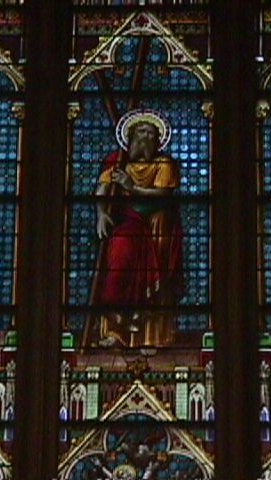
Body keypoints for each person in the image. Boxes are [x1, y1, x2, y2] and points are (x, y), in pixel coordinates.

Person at [86, 109, 184, 348]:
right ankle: (116, 326)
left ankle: (150, 332)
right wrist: (101, 214)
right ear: (130, 137)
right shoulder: (117, 160)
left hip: (156, 223)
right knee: (120, 251)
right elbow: (102, 188)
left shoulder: (164, 164)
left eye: (151, 134)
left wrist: (131, 187)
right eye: (141, 132)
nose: (146, 138)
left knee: (142, 238)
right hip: (125, 222)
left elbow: (163, 194)